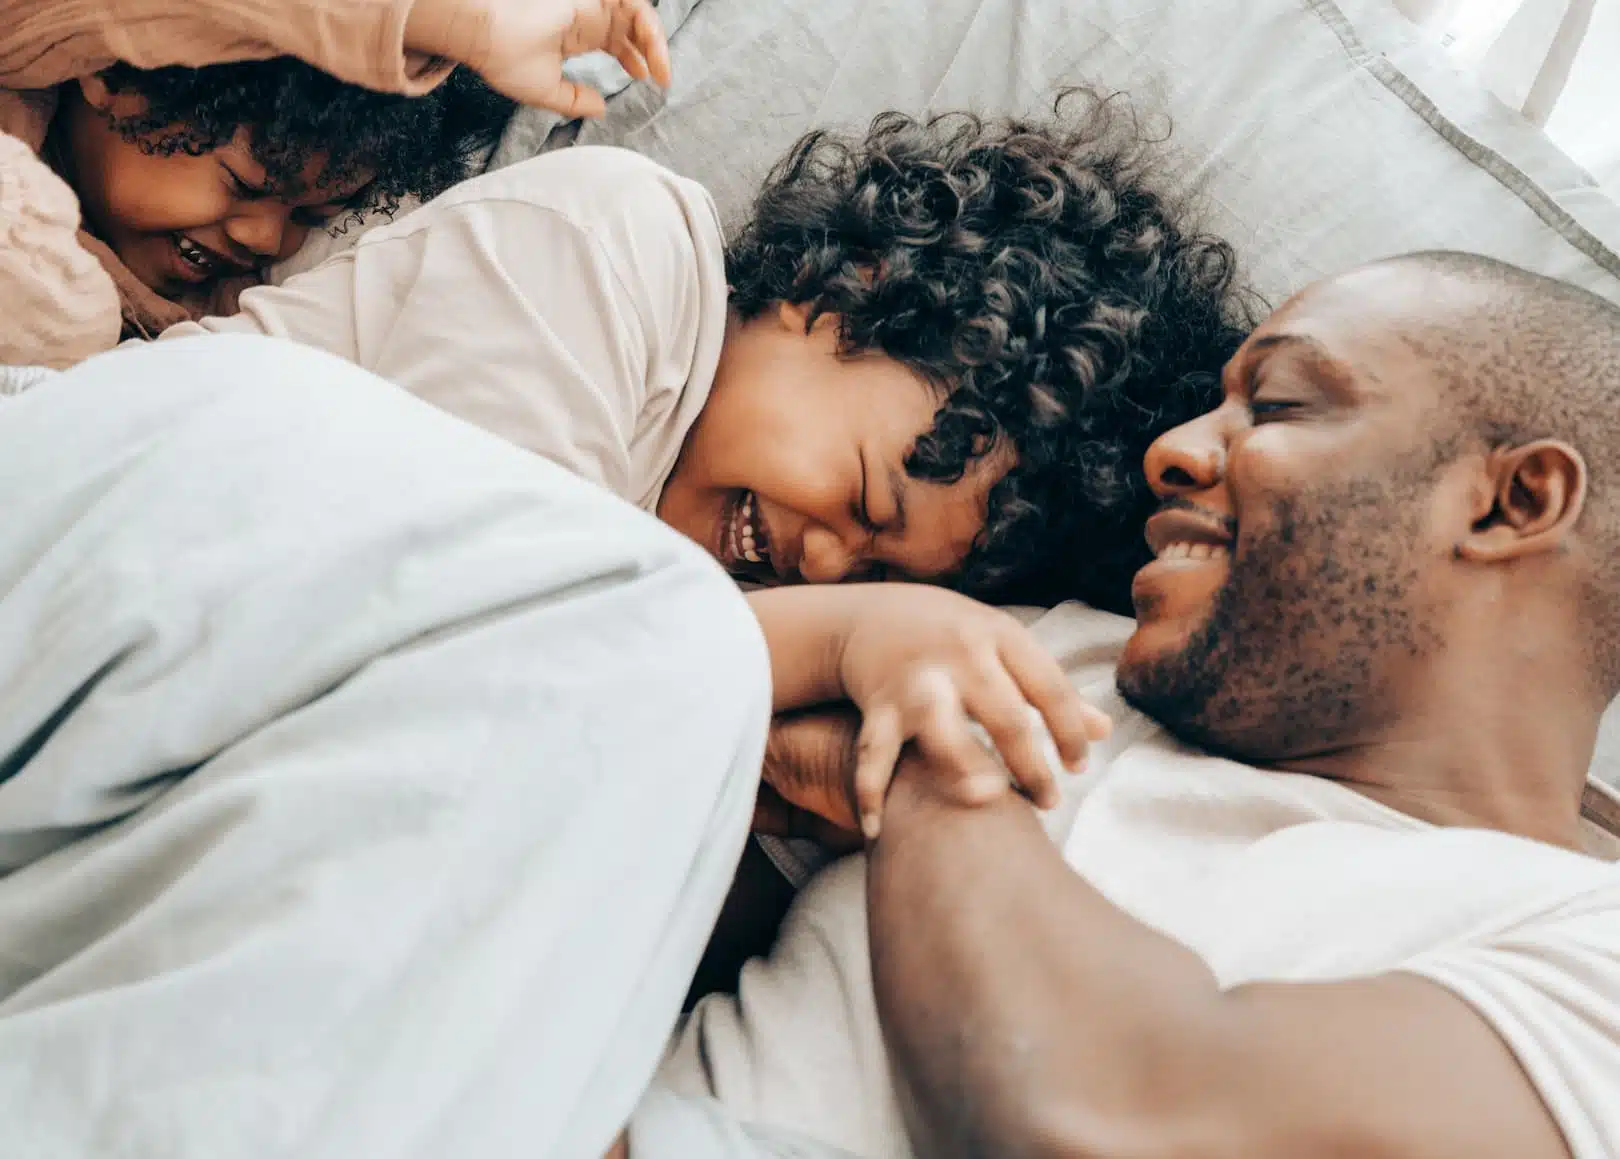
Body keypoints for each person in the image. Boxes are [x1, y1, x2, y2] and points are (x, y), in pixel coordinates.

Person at [0, 331, 1109, 1157]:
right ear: (840, 300)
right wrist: (835, 638)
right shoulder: (634, 264)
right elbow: (474, 611)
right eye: (865, 495)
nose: (824, 563)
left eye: (873, 574)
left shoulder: (692, 623)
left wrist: (767, 739)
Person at [648, 252, 1620, 1158]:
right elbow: (597, 783)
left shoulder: (1582, 948)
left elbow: (1119, 1117)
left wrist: (930, 776)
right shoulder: (1055, 655)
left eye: (1276, 405)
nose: (1174, 451)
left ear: (1512, 503)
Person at [0, 0, 671, 367]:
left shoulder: (222, 317)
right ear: (114, 73)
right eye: (243, 182)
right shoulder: (34, 37)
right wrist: (460, 24)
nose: (265, 235)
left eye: (312, 216)